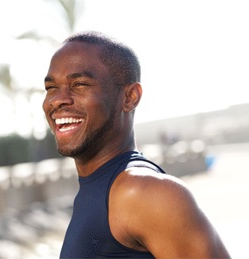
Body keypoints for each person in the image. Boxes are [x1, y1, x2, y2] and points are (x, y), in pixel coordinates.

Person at [42, 31, 230, 258]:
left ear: (130, 96)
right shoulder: (98, 189)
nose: (58, 99)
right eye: (51, 88)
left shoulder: (144, 193)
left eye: (79, 84)